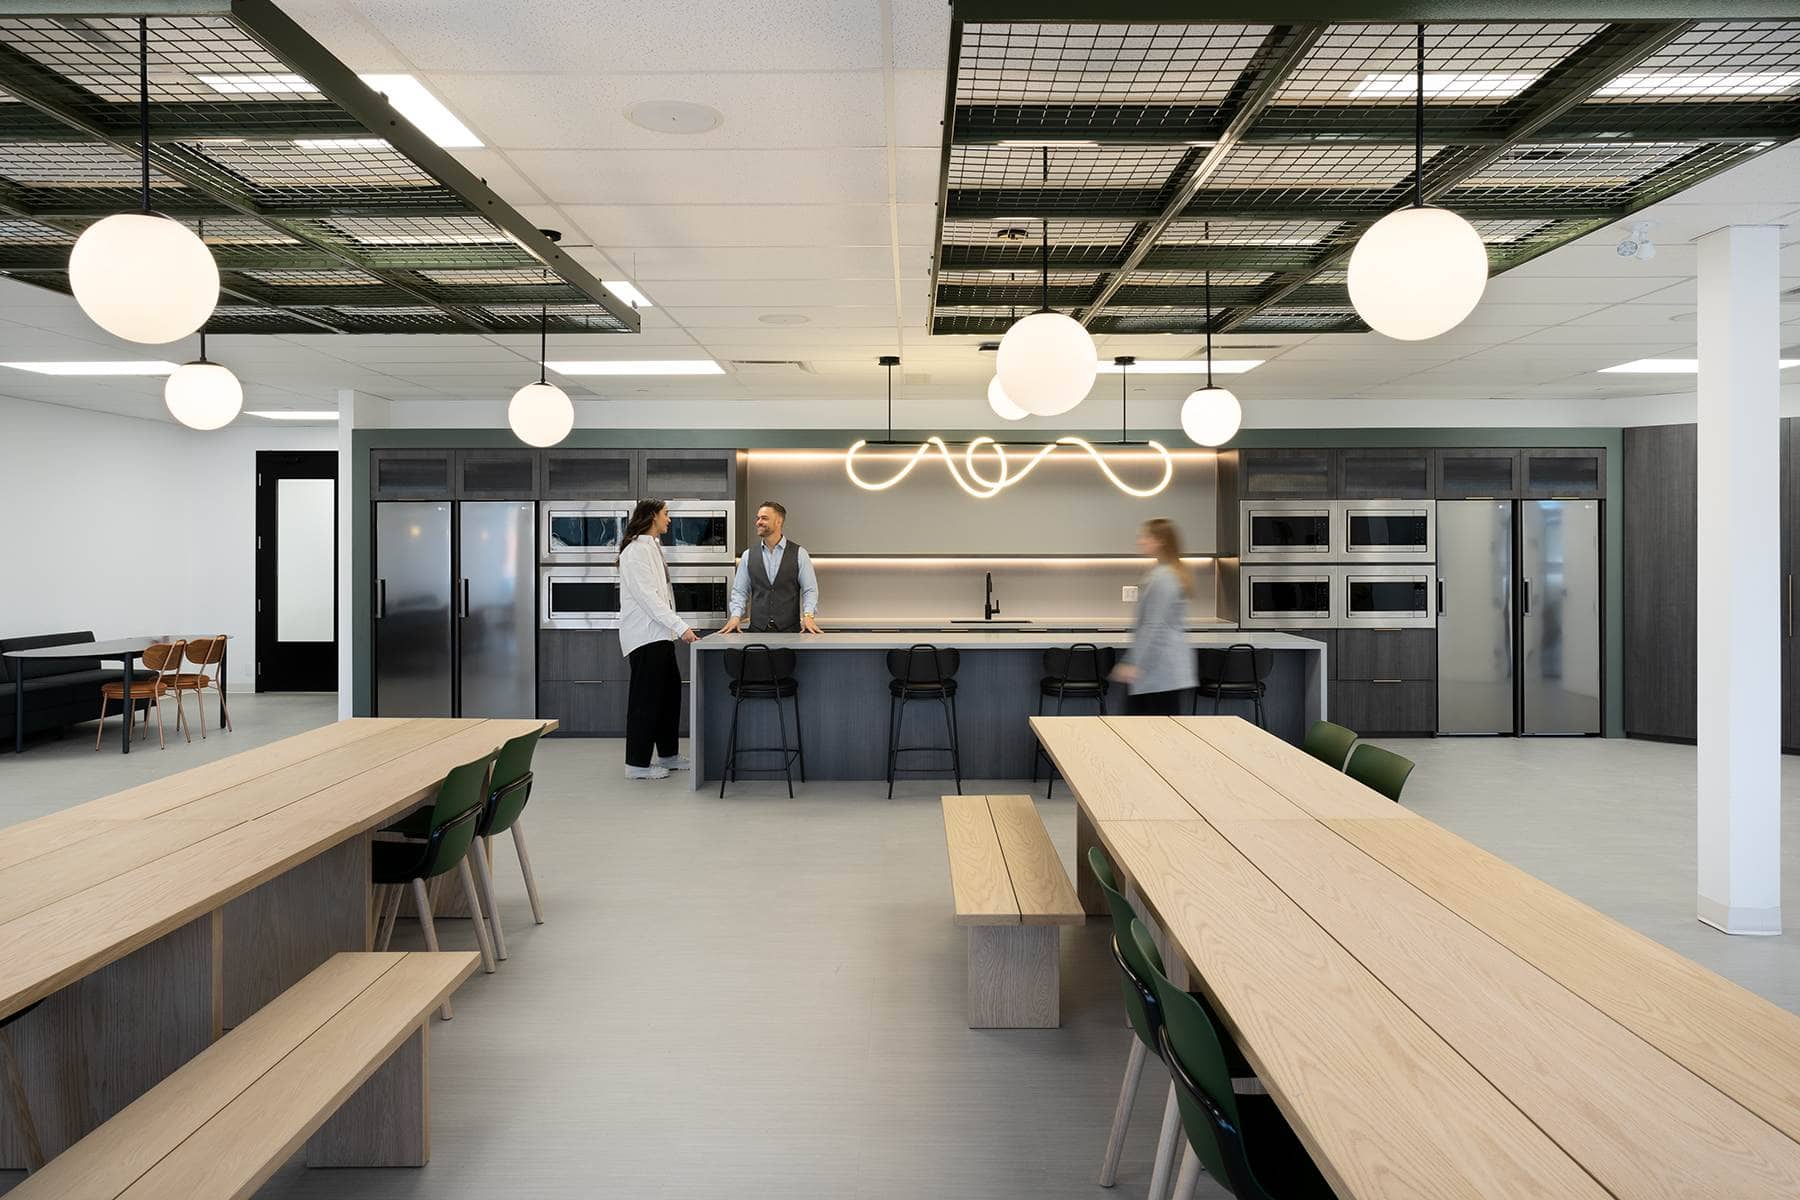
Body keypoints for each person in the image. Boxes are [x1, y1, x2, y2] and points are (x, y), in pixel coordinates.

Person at [618, 498, 699, 780]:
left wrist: (673, 629)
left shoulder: (652, 548)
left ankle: (669, 755)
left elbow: (661, 596)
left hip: (660, 636)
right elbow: (649, 600)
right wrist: (681, 627)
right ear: (653, 516)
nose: (670, 519)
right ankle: (636, 764)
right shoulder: (635, 552)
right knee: (646, 701)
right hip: (644, 637)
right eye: (666, 514)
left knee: (669, 697)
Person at [1112, 518, 1198, 714]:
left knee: (1152, 733)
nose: (1141, 541)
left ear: (1160, 541)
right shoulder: (1166, 573)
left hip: (1160, 670)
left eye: (1145, 536)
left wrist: (1133, 662)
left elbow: (1154, 626)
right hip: (1160, 670)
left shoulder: (1164, 577)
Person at [718, 500, 822, 635]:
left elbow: (810, 590)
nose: (758, 522)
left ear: (779, 522)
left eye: (764, 518)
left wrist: (808, 616)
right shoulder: (748, 555)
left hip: (790, 632)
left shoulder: (799, 554)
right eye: (758, 518)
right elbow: (740, 591)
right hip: (757, 631)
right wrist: (735, 616)